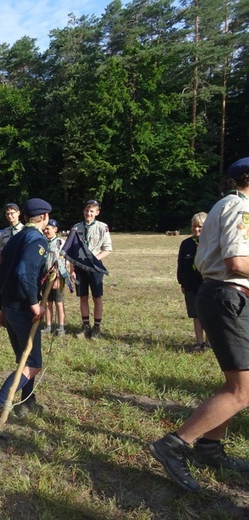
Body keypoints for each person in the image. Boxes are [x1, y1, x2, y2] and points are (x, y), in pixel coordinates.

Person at [149, 157, 249, 492]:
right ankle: (174, 445)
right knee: (242, 390)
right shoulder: (239, 207)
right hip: (227, 297)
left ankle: (209, 447)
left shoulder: (230, 204)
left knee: (239, 383)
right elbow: (236, 261)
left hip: (225, 296)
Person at [0, 198, 52, 431]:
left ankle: (27, 401)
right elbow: (23, 273)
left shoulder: (14, 239)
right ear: (43, 217)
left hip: (9, 306)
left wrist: (1, 306)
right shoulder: (37, 240)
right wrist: (34, 304)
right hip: (21, 308)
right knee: (32, 363)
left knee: (24, 356)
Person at [71, 200, 113, 339]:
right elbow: (71, 251)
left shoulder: (102, 227)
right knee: (83, 297)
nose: (88, 213)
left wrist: (94, 261)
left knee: (97, 297)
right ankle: (85, 326)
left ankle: (96, 328)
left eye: (91, 211)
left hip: (95, 268)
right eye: (86, 211)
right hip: (80, 268)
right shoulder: (76, 228)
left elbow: (107, 249)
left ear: (97, 213)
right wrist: (72, 269)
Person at [177, 212, 209, 352]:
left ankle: (209, 342)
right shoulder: (186, 244)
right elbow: (181, 265)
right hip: (191, 284)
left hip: (208, 284)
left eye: (200, 227)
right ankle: (199, 342)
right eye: (194, 226)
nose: (197, 230)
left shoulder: (212, 243)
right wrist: (182, 282)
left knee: (209, 314)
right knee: (196, 314)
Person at [43, 219, 66, 337]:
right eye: (45, 229)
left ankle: (61, 327)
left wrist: (58, 276)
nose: (45, 231)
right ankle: (48, 326)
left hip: (57, 277)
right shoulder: (42, 242)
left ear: (55, 229)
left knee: (59, 302)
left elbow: (64, 261)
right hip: (45, 277)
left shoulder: (61, 243)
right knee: (47, 302)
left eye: (48, 228)